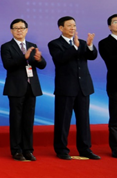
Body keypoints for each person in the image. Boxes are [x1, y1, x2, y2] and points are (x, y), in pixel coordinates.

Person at [48, 16, 100, 160]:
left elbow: (92, 56)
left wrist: (89, 45)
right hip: (65, 88)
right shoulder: (54, 44)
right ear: (61, 28)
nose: (73, 28)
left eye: (74, 25)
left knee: (84, 120)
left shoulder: (82, 42)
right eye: (69, 25)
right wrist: (74, 47)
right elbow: (60, 59)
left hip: (83, 88)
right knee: (63, 120)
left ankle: (85, 149)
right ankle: (61, 150)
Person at [0, 19, 47, 161]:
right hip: (15, 88)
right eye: (16, 28)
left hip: (31, 87)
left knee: (28, 120)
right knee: (16, 120)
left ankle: (28, 150)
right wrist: (23, 58)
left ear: (26, 30)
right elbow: (7, 65)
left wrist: (39, 60)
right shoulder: (6, 46)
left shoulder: (33, 46)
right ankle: (16, 150)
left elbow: (42, 65)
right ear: (11, 31)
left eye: (22, 28)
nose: (19, 30)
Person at [98, 14, 117, 158]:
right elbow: (111, 62)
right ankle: (116, 148)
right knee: (116, 118)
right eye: (115, 22)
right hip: (115, 84)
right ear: (110, 26)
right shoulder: (104, 43)